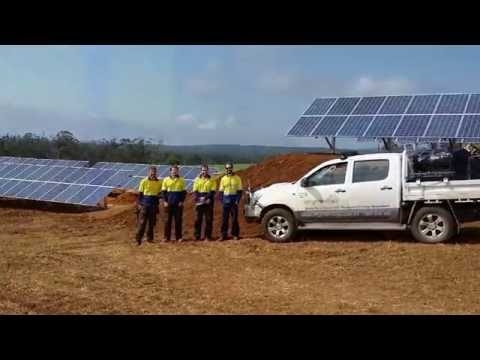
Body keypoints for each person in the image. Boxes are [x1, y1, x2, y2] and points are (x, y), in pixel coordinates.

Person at [135, 166, 163, 245]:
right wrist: (139, 204)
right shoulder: (143, 181)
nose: (153, 173)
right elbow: (140, 194)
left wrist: (160, 196)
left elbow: (160, 193)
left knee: (152, 223)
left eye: (154, 172)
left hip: (154, 204)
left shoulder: (159, 182)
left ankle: (149, 238)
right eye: (151, 172)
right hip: (145, 204)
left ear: (156, 173)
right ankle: (138, 239)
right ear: (148, 172)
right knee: (142, 223)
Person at [162, 165, 186, 242]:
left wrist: (182, 201)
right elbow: (163, 192)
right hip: (169, 204)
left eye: (176, 170)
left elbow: (183, 192)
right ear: (170, 171)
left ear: (177, 171)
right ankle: (166, 237)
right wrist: (165, 201)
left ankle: (179, 237)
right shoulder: (166, 180)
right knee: (167, 221)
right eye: (173, 170)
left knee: (178, 221)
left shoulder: (181, 180)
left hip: (178, 204)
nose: (174, 172)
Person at [218, 162, 243, 241]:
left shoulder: (237, 178)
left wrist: (237, 200)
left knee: (234, 219)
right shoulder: (223, 179)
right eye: (227, 168)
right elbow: (221, 191)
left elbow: (240, 191)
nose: (229, 169)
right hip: (226, 199)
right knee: (224, 219)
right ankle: (223, 235)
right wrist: (222, 201)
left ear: (232, 168)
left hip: (234, 199)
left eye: (230, 168)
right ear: (225, 169)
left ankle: (235, 234)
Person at [192, 164, 216, 241]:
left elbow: (212, 191)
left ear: (207, 171)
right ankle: (197, 236)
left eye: (205, 170)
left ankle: (207, 236)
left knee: (208, 219)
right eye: (203, 170)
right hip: (199, 200)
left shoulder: (212, 179)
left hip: (208, 200)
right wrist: (198, 198)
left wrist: (207, 198)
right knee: (198, 219)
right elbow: (195, 190)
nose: (204, 171)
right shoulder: (197, 179)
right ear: (201, 171)